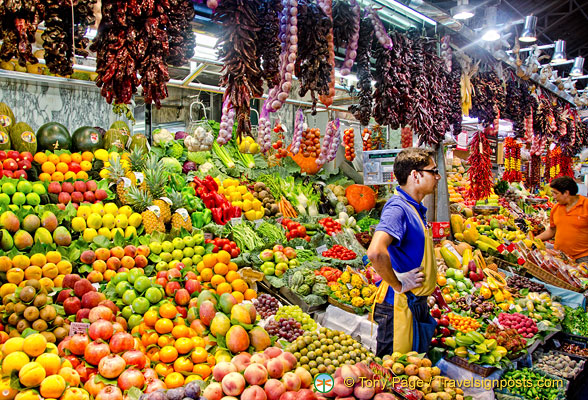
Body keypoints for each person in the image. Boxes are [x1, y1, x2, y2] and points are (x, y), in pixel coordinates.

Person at [367, 148, 441, 357]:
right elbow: (375, 252)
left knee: (411, 374)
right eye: (433, 171)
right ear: (415, 175)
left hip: (413, 305)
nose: (438, 176)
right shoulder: (397, 208)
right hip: (397, 308)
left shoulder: (414, 207)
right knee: (393, 375)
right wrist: (398, 283)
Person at [536, 176, 588, 263]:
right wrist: (534, 240)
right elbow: (552, 231)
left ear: (566, 193)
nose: (554, 197)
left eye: (556, 193)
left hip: (583, 258)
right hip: (560, 257)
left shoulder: (585, 205)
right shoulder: (556, 208)